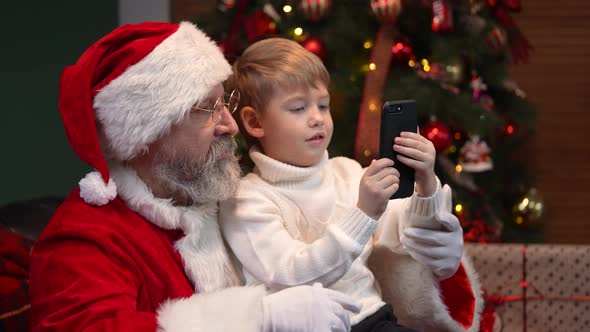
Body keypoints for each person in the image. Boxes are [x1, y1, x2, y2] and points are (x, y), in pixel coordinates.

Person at [29, 22, 362, 332]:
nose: (231, 127)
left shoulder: (231, 197)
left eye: (225, 103)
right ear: (147, 133)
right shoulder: (84, 239)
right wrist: (257, 317)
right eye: (207, 109)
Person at [217, 38, 484, 332]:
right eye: (298, 108)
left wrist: (425, 184)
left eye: (323, 105)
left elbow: (405, 234)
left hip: (373, 319)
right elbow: (291, 273)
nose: (317, 118)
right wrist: (363, 213)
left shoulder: (346, 172)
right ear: (255, 122)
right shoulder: (247, 199)